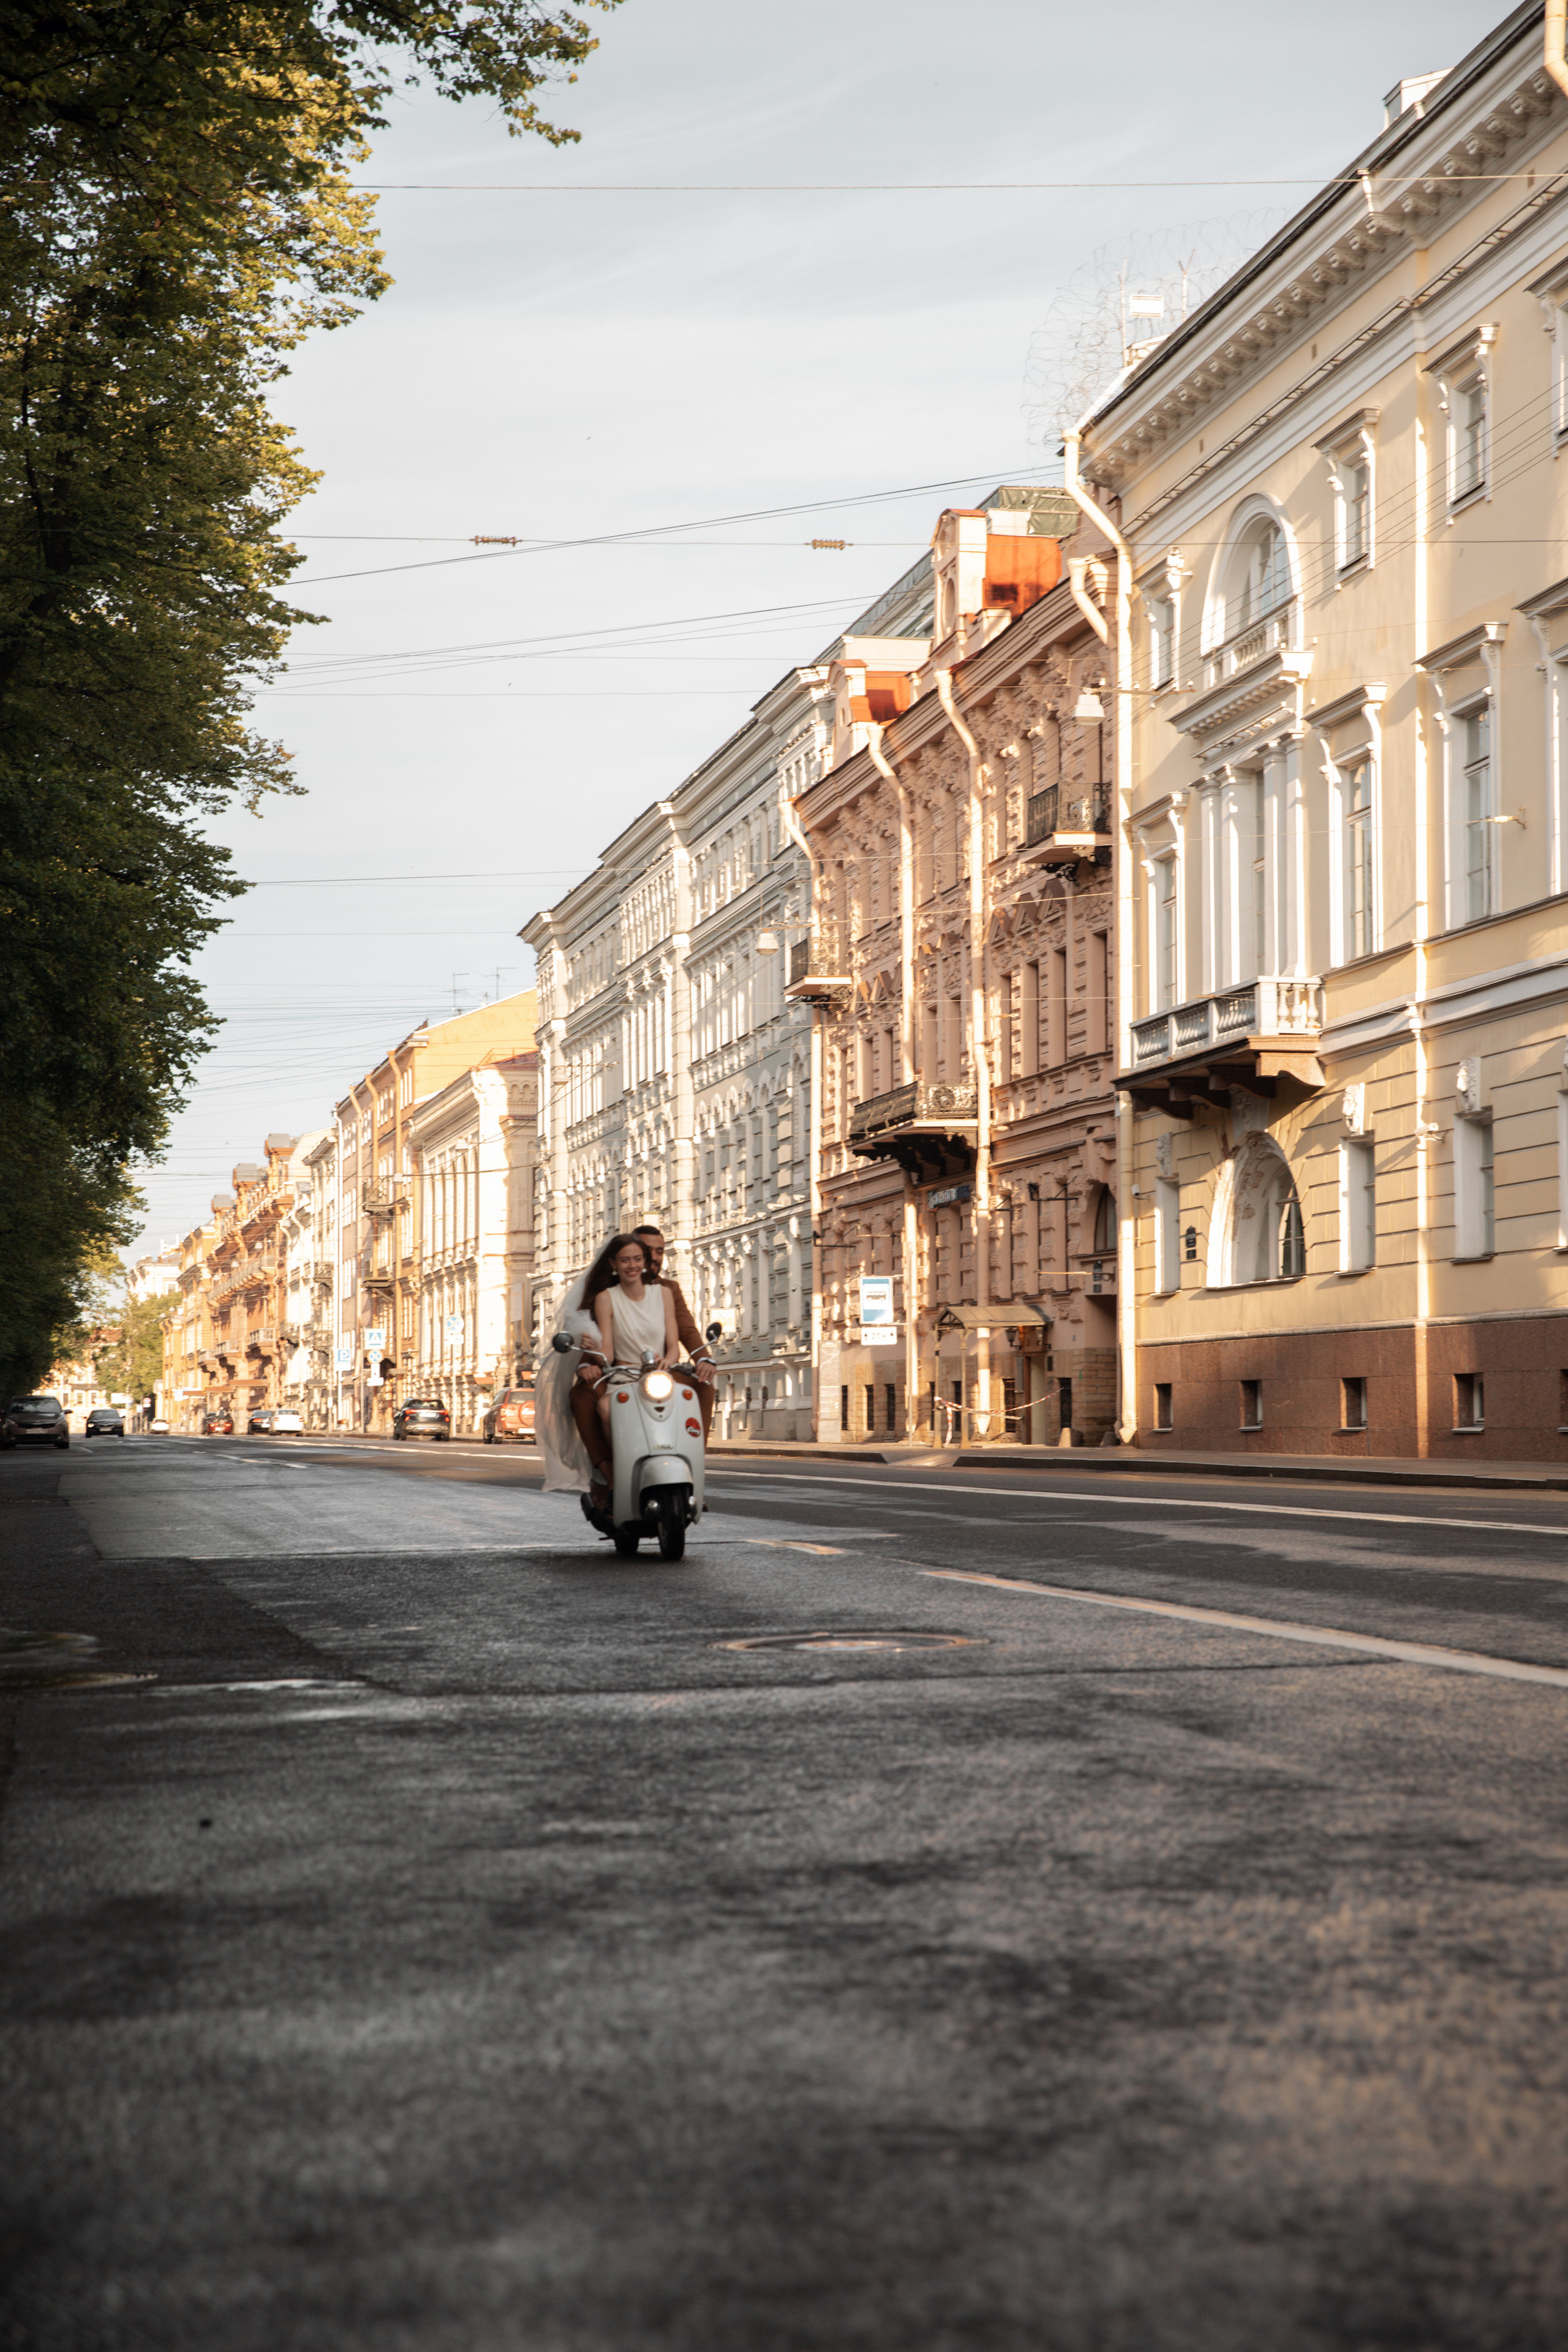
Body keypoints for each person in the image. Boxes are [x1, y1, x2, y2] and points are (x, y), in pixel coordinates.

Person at [632, 1223, 717, 1439]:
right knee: (584, 1395)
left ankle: (696, 1456)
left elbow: (686, 1329)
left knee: (704, 1385)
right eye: (647, 1250)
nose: (654, 1257)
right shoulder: (608, 1290)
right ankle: (604, 1463)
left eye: (659, 1251)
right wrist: (588, 1364)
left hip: (661, 1372)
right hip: (620, 1370)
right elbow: (593, 1332)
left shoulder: (670, 1289)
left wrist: (704, 1360)